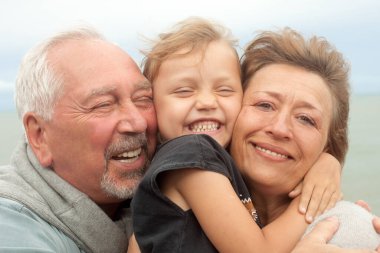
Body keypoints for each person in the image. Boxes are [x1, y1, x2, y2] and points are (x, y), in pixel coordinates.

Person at [131, 18, 344, 253]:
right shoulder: (193, 154)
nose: (207, 102)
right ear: (152, 105)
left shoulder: (212, 170)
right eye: (264, 105)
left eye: (306, 118)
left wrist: (328, 162)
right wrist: (313, 204)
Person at [0, 26, 157, 252]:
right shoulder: (12, 227)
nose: (138, 122)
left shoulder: (170, 189)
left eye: (143, 99)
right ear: (39, 135)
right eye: (103, 104)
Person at [230, 28, 380, 250]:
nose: (280, 129)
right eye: (264, 105)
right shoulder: (179, 206)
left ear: (327, 146)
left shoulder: (346, 234)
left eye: (306, 119)